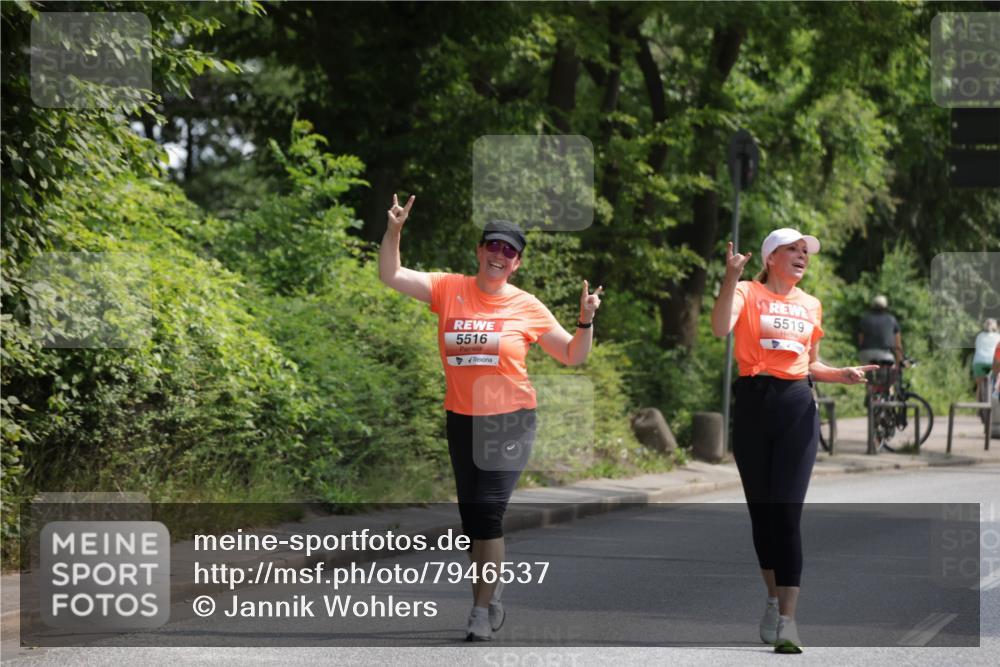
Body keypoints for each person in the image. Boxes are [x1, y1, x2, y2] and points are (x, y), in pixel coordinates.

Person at [378, 194, 603, 642]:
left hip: (511, 418)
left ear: (516, 263)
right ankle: (491, 590)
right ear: (480, 251)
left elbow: (573, 356)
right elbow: (391, 274)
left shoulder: (528, 306)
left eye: (509, 252)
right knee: (471, 523)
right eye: (493, 247)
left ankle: (480, 612)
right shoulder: (449, 288)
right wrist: (394, 231)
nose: (500, 256)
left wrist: (585, 320)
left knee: (488, 513)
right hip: (462, 418)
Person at [711, 228, 876, 654]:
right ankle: (771, 599)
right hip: (752, 401)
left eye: (806, 252)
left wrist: (839, 374)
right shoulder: (747, 291)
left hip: (797, 405)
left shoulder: (811, 304)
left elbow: (810, 362)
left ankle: (789, 621)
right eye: (794, 250)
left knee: (786, 514)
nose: (803, 256)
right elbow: (717, 328)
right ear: (771, 257)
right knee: (762, 516)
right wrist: (731, 278)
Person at [857, 295, 903, 367]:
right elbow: (898, 345)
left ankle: (867, 377)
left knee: (866, 373)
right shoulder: (892, 320)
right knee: (888, 374)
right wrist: (899, 361)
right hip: (885, 355)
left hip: (866, 354)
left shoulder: (865, 319)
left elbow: (860, 342)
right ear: (886, 306)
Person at [973, 319, 1000, 416]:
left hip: (979, 362)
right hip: (992, 362)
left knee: (980, 386)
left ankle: (978, 410)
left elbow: (977, 347)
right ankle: (995, 408)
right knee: (996, 383)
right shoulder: (998, 337)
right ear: (996, 327)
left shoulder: (979, 336)